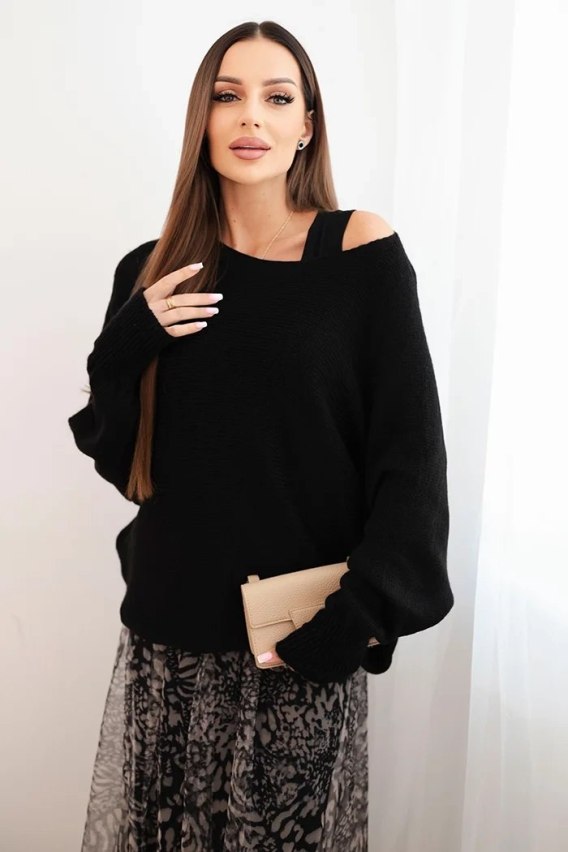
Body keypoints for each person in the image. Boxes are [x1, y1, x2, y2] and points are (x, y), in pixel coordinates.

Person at [68, 19, 454, 852]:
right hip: (169, 637)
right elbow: (120, 459)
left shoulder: (358, 251)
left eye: (278, 98)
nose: (251, 116)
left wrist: (357, 620)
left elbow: (412, 458)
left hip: (300, 640)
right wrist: (128, 340)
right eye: (228, 96)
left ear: (307, 125)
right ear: (202, 121)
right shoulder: (152, 271)